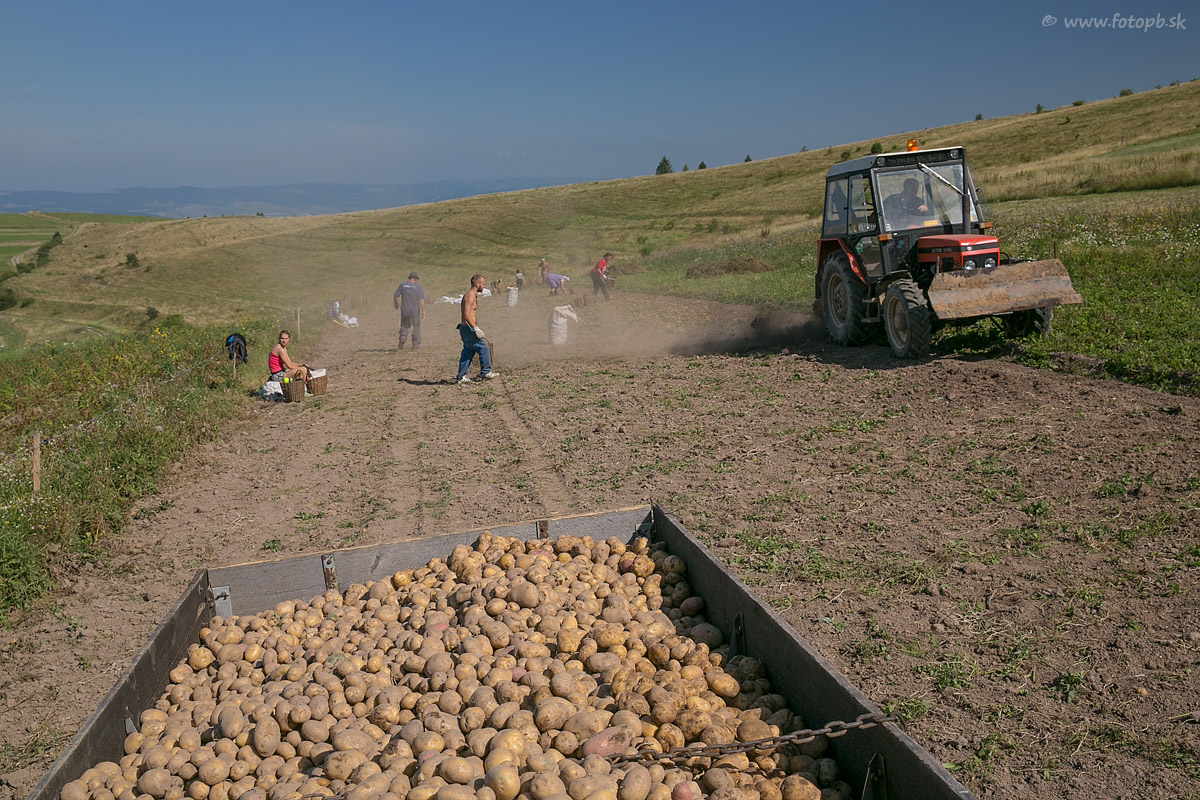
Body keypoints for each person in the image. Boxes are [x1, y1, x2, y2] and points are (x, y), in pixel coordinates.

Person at [455, 274, 499, 384]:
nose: (483, 286)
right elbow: (466, 315)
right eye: (483, 284)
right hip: (468, 328)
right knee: (484, 347)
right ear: (477, 284)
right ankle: (486, 372)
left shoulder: (472, 296)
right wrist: (475, 328)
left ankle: (461, 376)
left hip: (466, 328)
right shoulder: (469, 296)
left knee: (468, 351)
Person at [393, 271, 426, 349]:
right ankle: (415, 345)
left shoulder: (402, 285)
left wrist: (396, 303)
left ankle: (403, 337)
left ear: (409, 278)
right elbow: (421, 300)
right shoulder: (418, 287)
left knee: (404, 326)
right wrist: (423, 311)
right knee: (416, 327)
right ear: (415, 279)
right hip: (415, 311)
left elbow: (395, 295)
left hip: (405, 311)